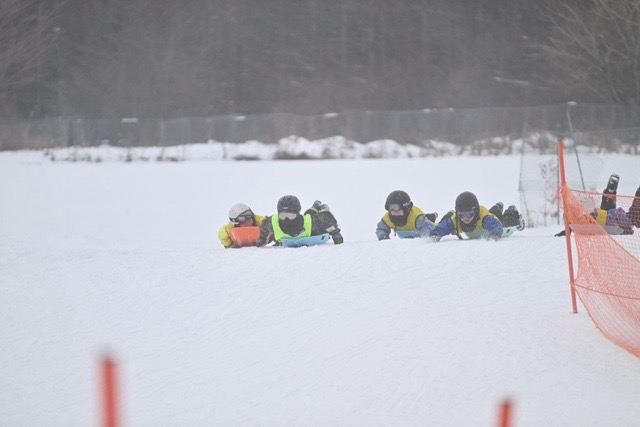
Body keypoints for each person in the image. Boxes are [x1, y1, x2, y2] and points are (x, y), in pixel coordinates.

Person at [555, 174, 635, 236]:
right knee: (610, 213)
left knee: (609, 213)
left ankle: (610, 193)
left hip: (602, 219)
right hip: (603, 221)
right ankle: (610, 193)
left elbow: (575, 223)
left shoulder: (571, 213)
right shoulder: (571, 213)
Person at [430, 191, 524, 241]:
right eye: (462, 216)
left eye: (469, 215)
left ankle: (512, 211)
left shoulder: (484, 217)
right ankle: (498, 207)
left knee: (506, 221)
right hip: (488, 218)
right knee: (494, 212)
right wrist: (435, 234)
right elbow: (444, 226)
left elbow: (496, 225)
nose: (466, 219)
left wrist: (494, 234)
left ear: (476, 212)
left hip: (495, 222)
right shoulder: (455, 219)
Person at [257, 195, 344, 246]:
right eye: (283, 216)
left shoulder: (311, 222)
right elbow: (262, 231)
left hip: (313, 222)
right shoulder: (273, 222)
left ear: (298, 213)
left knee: (316, 213)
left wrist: (335, 233)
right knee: (310, 213)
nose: (287, 219)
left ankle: (317, 206)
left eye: (291, 215)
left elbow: (325, 218)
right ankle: (314, 207)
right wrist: (261, 239)